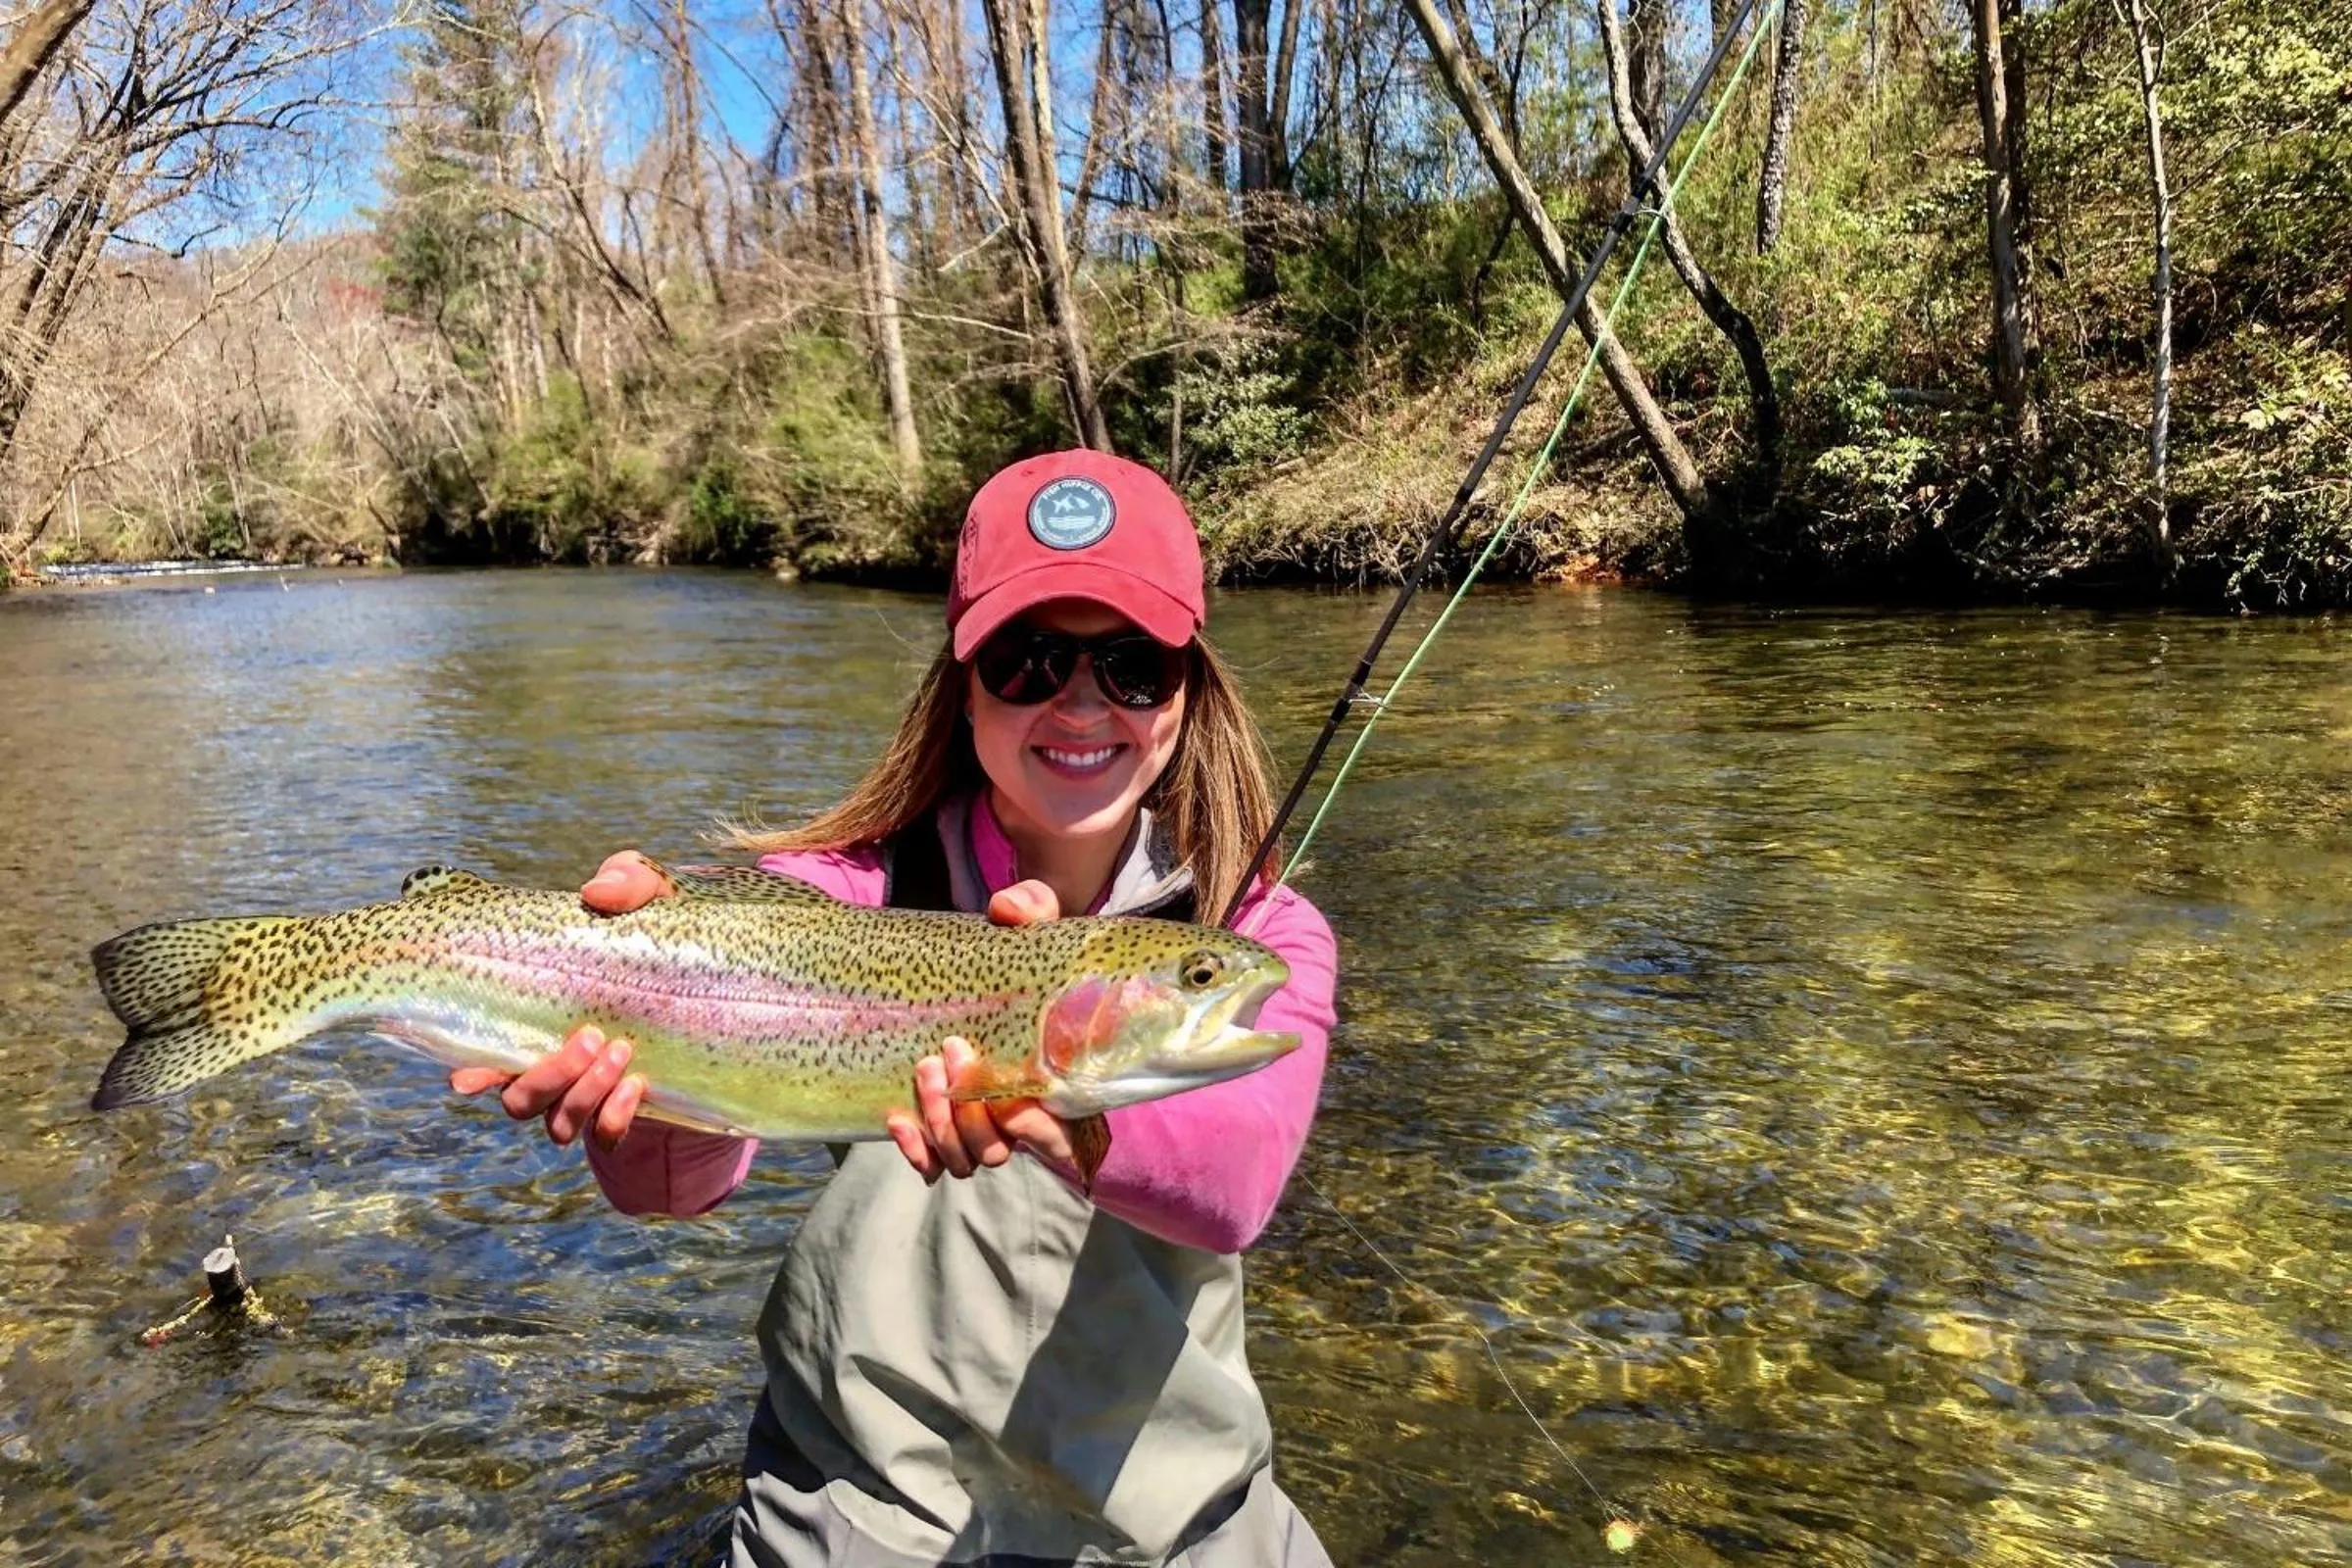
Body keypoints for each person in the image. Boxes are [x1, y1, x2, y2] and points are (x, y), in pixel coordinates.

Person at [449, 450, 1339, 1567]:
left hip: (1168, 1516)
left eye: (1130, 664)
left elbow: (1233, 1185)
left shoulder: (1258, 936)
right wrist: (644, 1087)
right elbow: (680, 1188)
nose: (1079, 700)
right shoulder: (840, 897)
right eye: (1025, 660)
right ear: (961, 687)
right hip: (866, 1502)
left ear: (1185, 694)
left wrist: (1052, 1107)